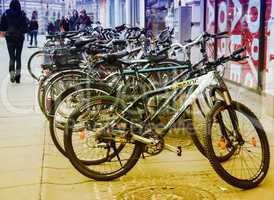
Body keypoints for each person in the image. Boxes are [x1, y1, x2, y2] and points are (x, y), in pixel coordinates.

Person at [0, 0, 28, 83]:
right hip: (19, 37)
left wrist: (5, 31)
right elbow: (25, 27)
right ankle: (18, 77)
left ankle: (12, 75)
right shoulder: (22, 14)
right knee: (18, 57)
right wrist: (21, 31)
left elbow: (2, 26)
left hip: (9, 37)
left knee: (12, 57)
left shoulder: (6, 13)